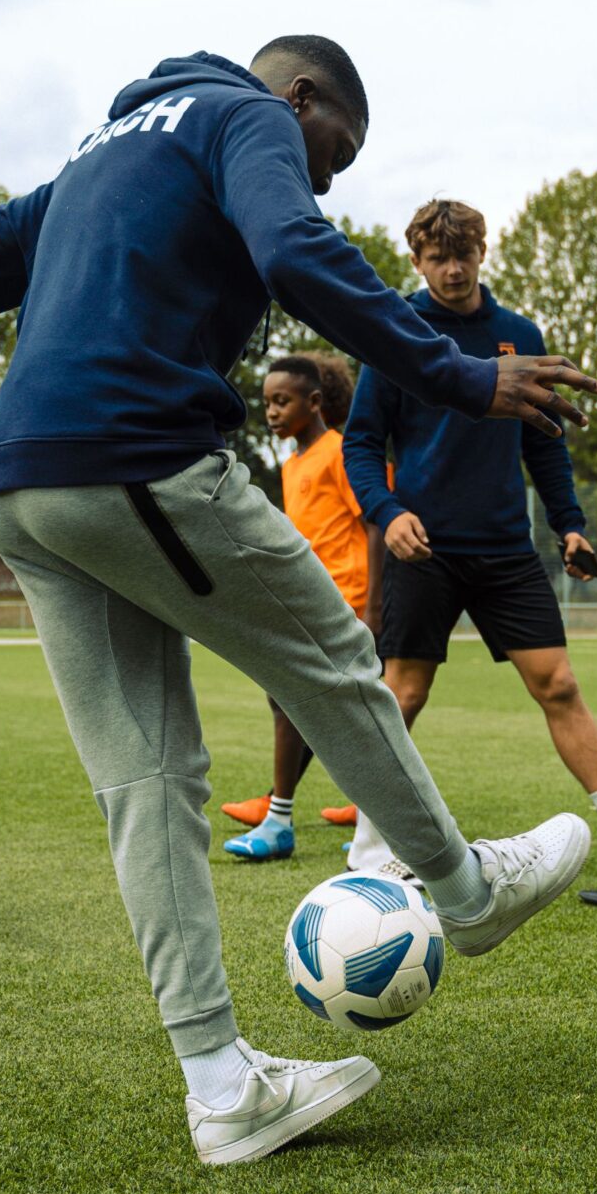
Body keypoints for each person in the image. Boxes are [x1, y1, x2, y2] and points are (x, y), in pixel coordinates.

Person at [0, 40, 597, 1165]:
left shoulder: (97, 157)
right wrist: (463, 374)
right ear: (301, 98)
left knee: (145, 780)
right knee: (335, 661)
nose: (325, 177)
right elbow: (294, 246)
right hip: (134, 460)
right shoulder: (245, 119)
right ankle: (467, 893)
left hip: (22, 490)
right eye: (336, 152)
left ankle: (222, 1088)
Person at [342, 197, 597, 882]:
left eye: (463, 255)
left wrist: (570, 524)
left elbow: (545, 444)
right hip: (422, 547)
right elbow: (362, 444)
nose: (453, 270)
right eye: (438, 258)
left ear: (482, 253)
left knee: (559, 684)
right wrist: (387, 511)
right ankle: (370, 845)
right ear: (417, 260)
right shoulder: (395, 332)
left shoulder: (518, 335)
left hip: (504, 549)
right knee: (403, 696)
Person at [221, 351, 380, 859]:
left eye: (282, 401)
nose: (271, 412)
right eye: (266, 402)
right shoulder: (292, 465)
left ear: (314, 402)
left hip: (349, 601)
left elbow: (374, 523)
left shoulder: (342, 452)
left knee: (301, 700)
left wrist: (376, 606)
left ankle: (280, 819)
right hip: (309, 600)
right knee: (315, 705)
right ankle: (370, 814)